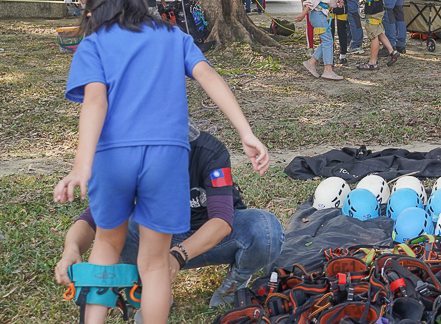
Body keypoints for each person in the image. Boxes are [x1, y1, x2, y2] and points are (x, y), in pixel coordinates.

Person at [53, 0, 269, 324]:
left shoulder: (93, 43)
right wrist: (246, 133)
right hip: (167, 158)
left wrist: (82, 165)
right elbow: (209, 75)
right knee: (155, 264)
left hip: (112, 157)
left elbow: (94, 102)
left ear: (96, 12)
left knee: (106, 248)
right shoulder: (173, 36)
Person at [55, 122, 283, 310]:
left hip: (213, 239)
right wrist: (71, 249)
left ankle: (236, 282)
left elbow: (222, 220)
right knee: (122, 225)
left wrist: (178, 255)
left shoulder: (211, 152)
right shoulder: (133, 158)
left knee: (265, 229)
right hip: (158, 239)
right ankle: (148, 288)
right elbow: (93, 218)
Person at [293, 0, 344, 80]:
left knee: (327, 40)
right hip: (318, 15)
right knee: (328, 41)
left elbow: (325, 0)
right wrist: (303, 14)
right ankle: (328, 69)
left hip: (320, 14)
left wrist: (336, 3)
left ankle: (311, 63)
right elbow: (312, 0)